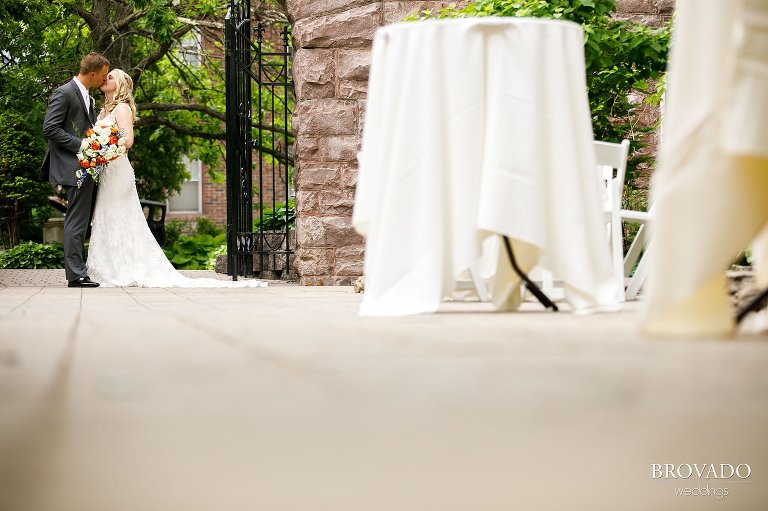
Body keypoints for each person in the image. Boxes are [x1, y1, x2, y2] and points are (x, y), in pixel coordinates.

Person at [85, 69, 266, 288]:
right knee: (106, 216)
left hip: (118, 171)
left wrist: (102, 147)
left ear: (121, 83)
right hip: (106, 172)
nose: (105, 79)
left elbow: (129, 140)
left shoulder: (122, 108)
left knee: (120, 217)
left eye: (111, 76)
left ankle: (123, 269)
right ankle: (108, 267)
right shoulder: (103, 109)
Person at [42, 52, 109, 287]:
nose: (104, 79)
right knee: (76, 222)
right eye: (102, 75)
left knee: (79, 221)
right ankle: (76, 275)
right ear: (92, 74)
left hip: (84, 166)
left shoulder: (85, 95)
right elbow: (50, 128)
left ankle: (78, 271)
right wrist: (82, 145)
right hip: (73, 167)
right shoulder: (65, 93)